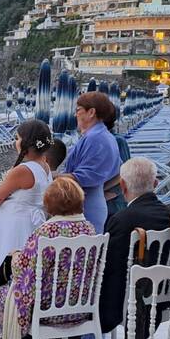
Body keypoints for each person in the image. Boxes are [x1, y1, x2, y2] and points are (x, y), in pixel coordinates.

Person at [0, 177, 97, 339]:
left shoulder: (46, 231)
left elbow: (25, 273)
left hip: (46, 311)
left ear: (50, 204)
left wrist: (15, 256)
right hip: (79, 309)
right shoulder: (89, 229)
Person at [0, 120, 53, 295]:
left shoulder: (23, 170)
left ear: (26, 142)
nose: (15, 142)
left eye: (17, 138)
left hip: (12, 224)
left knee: (4, 264)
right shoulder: (45, 166)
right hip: (33, 223)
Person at [100, 157, 170, 337]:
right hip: (162, 296)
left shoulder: (121, 220)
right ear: (155, 183)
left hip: (126, 300)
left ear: (122, 186)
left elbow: (109, 265)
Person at [62, 91, 121, 233]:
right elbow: (117, 170)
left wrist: (48, 175)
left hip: (86, 206)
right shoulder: (101, 135)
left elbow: (85, 176)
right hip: (92, 200)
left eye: (78, 110)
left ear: (91, 112)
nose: (75, 114)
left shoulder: (96, 138)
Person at [103, 110, 131, 220]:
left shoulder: (117, 140)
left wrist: (109, 192)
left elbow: (125, 171)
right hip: (108, 198)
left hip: (114, 200)